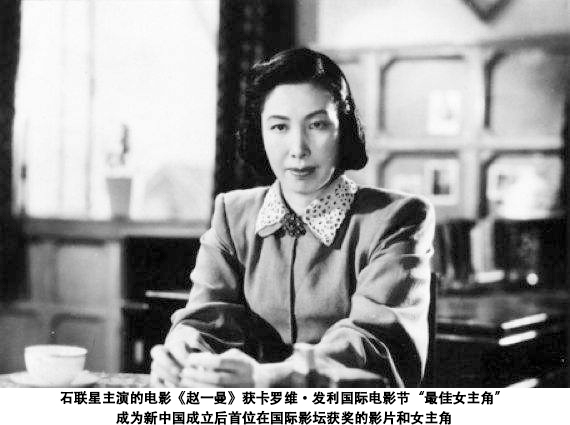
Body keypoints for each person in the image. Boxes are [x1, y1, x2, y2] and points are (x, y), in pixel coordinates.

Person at [150, 47, 435, 388]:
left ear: (343, 129)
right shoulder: (232, 214)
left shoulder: (397, 218)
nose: (298, 148)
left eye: (317, 125)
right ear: (260, 133)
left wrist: (269, 379)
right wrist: (182, 354)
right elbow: (205, 320)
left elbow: (373, 344)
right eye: (279, 127)